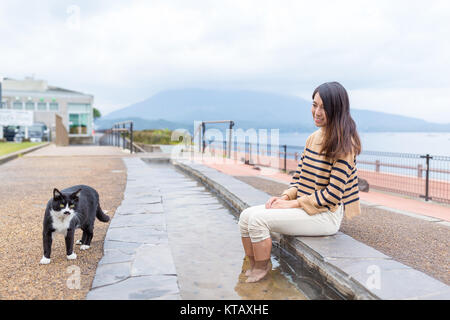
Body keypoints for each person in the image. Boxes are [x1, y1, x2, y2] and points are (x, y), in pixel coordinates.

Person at [238, 81, 362, 283]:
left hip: (325, 216)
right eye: (315, 105)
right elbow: (299, 178)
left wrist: (291, 204)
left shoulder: (344, 145)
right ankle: (251, 262)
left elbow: (333, 195)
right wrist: (285, 196)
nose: (317, 112)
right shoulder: (313, 138)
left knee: (258, 221)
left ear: (337, 110)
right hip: (305, 206)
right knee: (245, 216)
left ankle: (263, 268)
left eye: (324, 107)